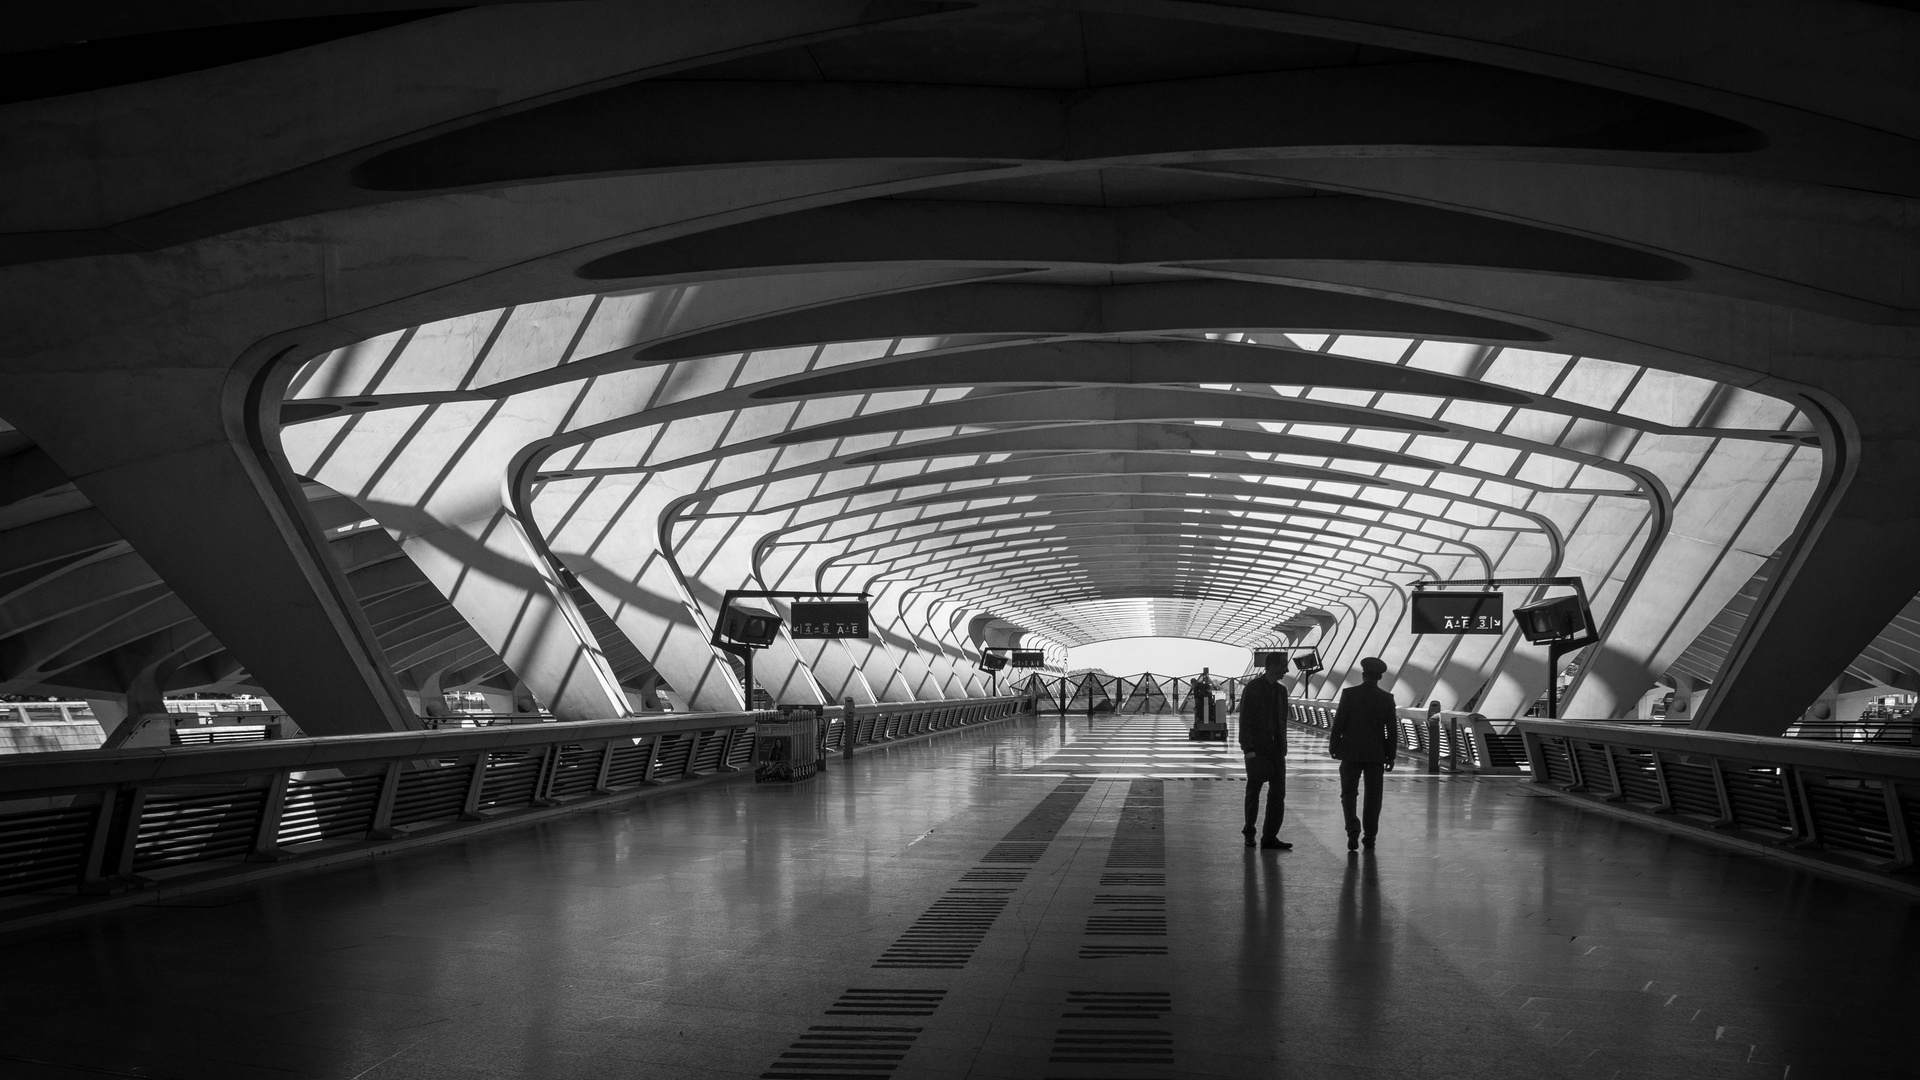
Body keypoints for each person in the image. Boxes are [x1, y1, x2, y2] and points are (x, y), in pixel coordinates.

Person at [1328, 656, 1399, 852]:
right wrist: (1390, 755)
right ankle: (1370, 837)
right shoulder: (1387, 699)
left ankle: (1352, 828)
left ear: (1363, 674)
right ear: (1379, 677)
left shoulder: (1349, 694)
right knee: (1373, 796)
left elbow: (1339, 722)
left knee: (1348, 793)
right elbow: (1392, 730)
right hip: (1376, 755)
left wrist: (1334, 746)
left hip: (1350, 752)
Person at [1237, 651, 1291, 849]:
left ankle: (1270, 836)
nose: (1286, 669)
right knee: (1254, 791)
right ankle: (1249, 832)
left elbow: (1282, 721)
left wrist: (1283, 747)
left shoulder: (1281, 691)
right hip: (1257, 750)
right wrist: (1248, 749)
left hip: (1277, 750)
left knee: (1278, 794)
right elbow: (1246, 721)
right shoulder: (1253, 688)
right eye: (1284, 665)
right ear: (1273, 666)